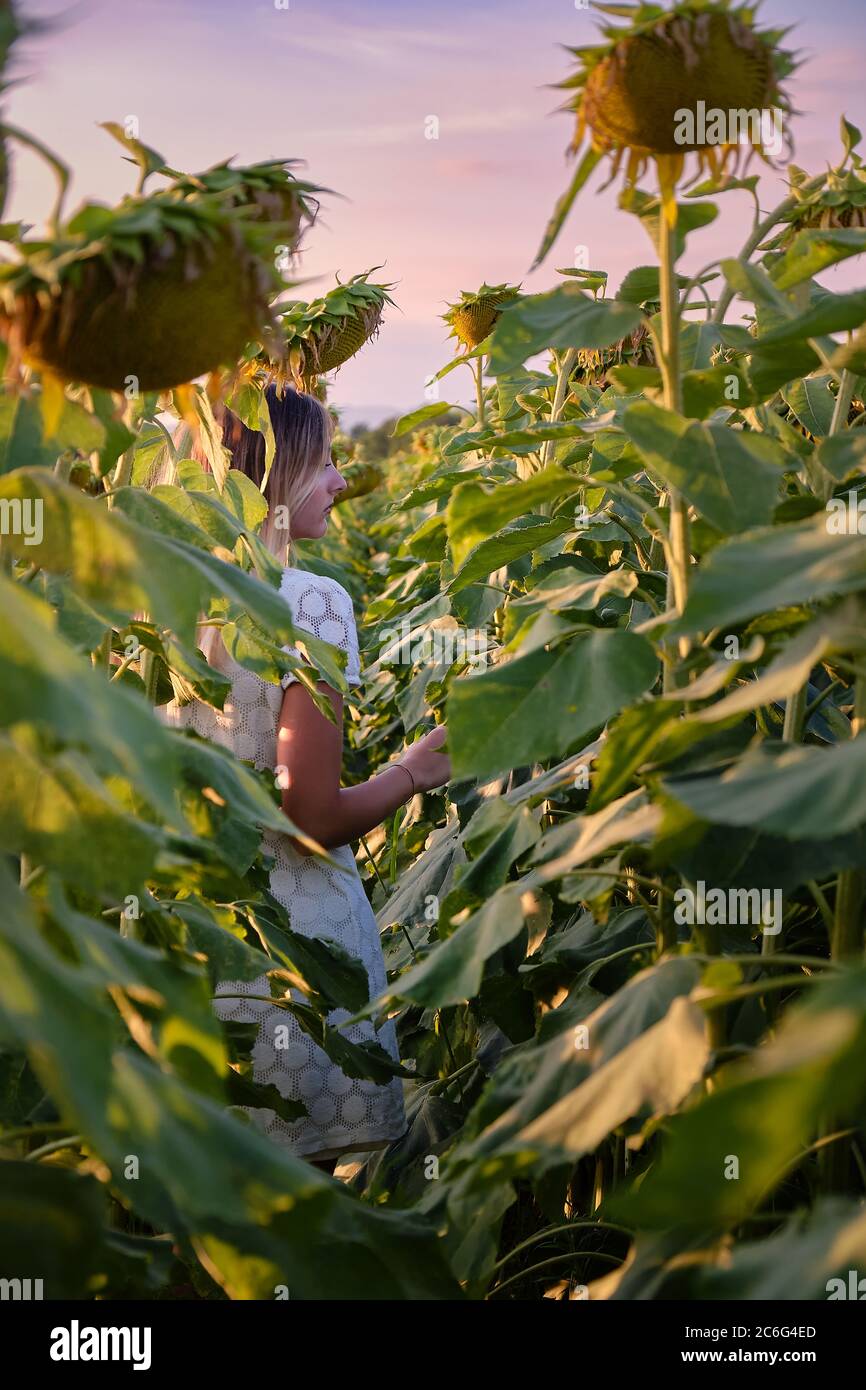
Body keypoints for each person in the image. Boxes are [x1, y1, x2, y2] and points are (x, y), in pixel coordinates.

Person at [157, 385, 451, 1175]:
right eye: (323, 462)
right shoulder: (310, 603)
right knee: (294, 1231)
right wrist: (414, 771)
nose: (340, 482)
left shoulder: (149, 608)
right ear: (277, 477)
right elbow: (311, 816)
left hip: (168, 945)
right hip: (288, 952)